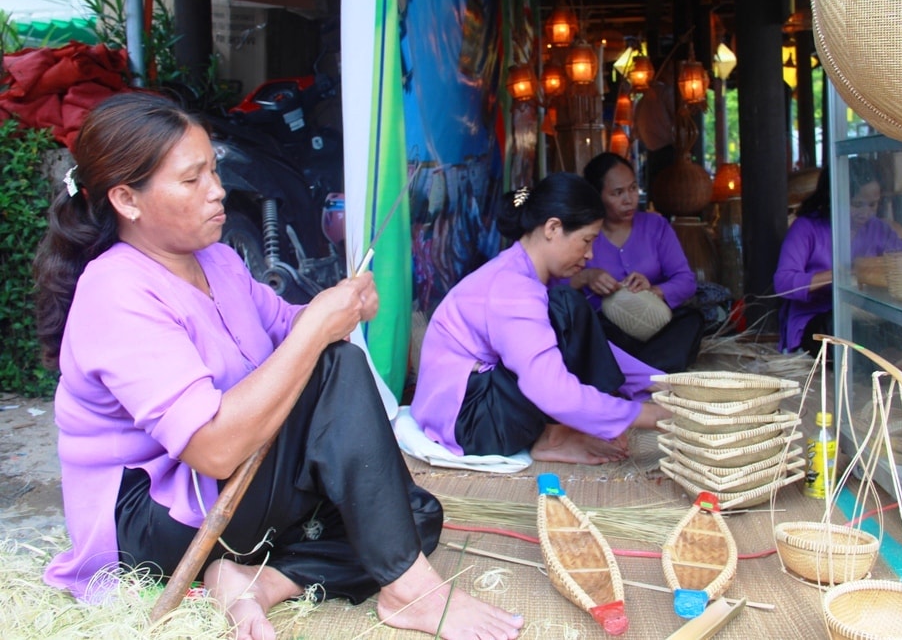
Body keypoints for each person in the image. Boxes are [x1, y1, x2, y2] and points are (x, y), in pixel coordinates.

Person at [33, 93, 523, 640]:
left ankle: (258, 582)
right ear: (127, 199)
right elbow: (213, 447)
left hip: (229, 489)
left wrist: (339, 307)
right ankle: (409, 591)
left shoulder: (216, 260)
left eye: (213, 171)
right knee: (336, 369)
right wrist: (320, 331)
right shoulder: (115, 291)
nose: (218, 191)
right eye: (193, 180)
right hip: (154, 521)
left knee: (412, 516)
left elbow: (289, 325)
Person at [410, 172, 671, 466]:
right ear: (553, 228)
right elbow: (551, 391)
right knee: (567, 307)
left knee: (567, 307)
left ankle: (565, 430)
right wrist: (647, 415)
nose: (589, 254)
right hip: (469, 421)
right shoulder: (512, 287)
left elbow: (587, 346)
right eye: (586, 240)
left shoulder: (521, 273)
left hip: (477, 404)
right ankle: (556, 437)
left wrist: (660, 383)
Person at [572, 152, 703, 373]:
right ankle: (652, 371)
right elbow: (554, 286)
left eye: (633, 188)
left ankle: (633, 372)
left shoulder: (656, 226)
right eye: (617, 193)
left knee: (692, 320)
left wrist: (655, 290)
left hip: (657, 327)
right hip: (609, 329)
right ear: (597, 195)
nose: (629, 199)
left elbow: (686, 280)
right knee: (591, 330)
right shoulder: (583, 233)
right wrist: (586, 277)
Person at [774, 157, 902, 356]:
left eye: (873, 205)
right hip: (817, 319)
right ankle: (894, 362)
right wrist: (840, 275)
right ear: (833, 197)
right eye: (857, 204)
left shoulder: (878, 229)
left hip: (865, 316)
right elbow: (783, 283)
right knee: (838, 330)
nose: (866, 213)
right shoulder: (807, 228)